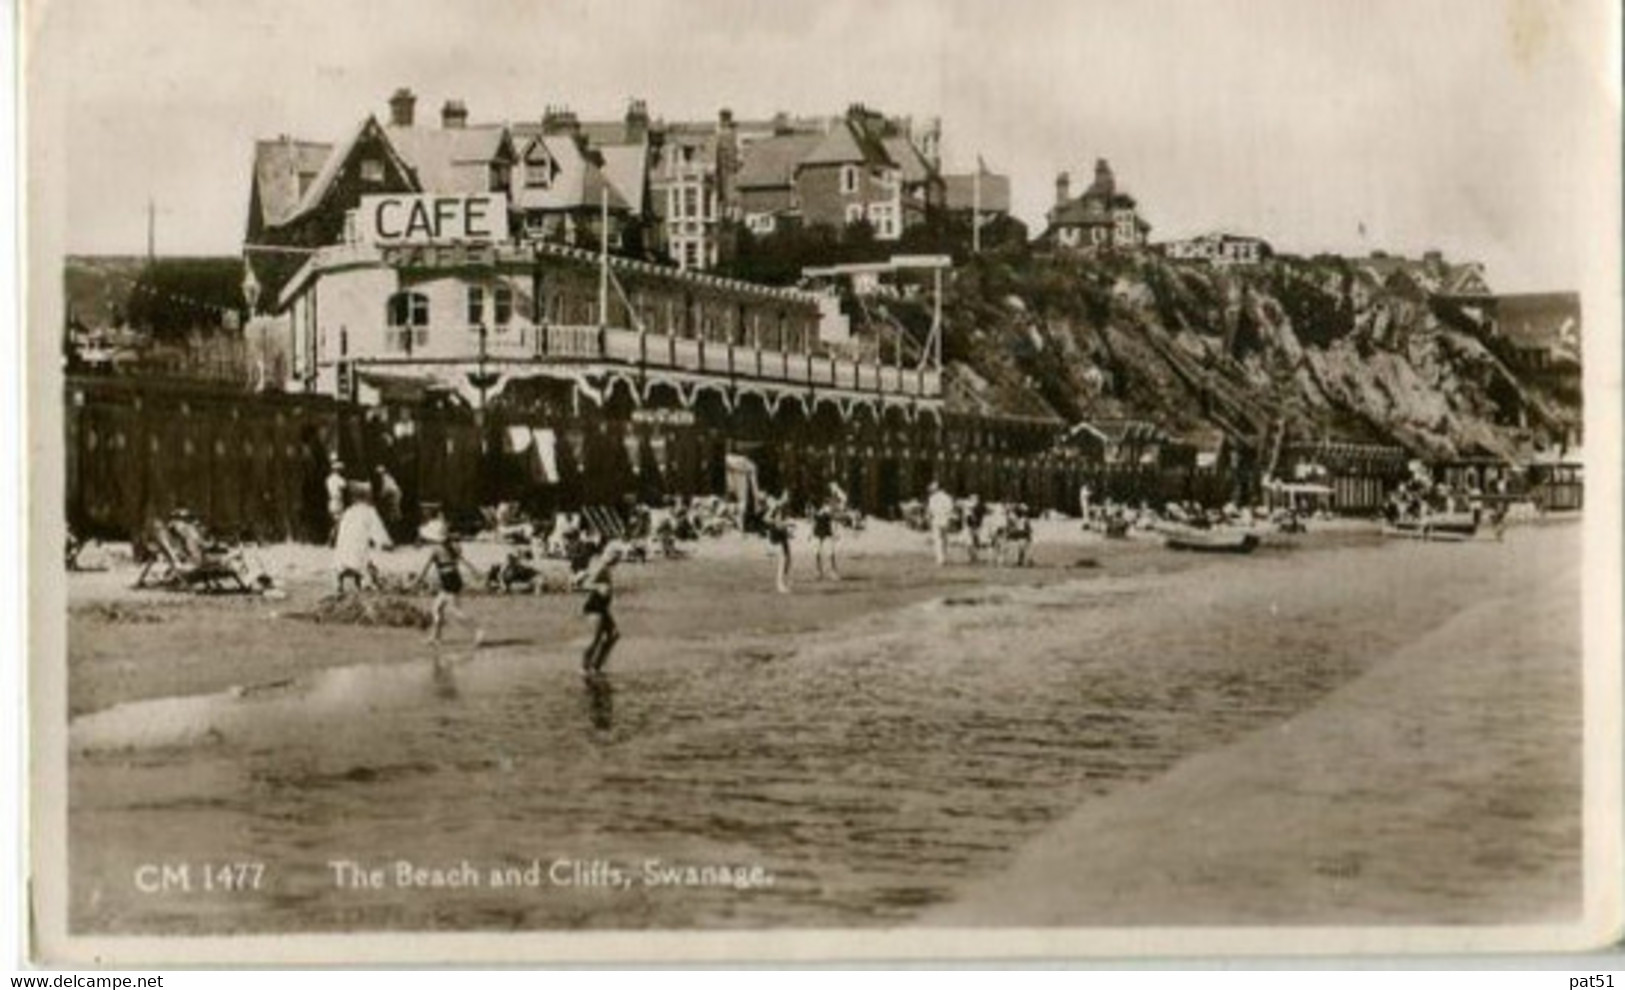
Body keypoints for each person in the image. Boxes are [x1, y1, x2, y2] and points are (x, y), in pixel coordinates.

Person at [417, 515, 485, 649]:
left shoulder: (435, 549)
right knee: (437, 608)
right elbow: (464, 561)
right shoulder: (452, 546)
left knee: (455, 611)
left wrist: (417, 581)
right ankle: (436, 638)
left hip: (449, 580)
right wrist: (475, 572)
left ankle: (477, 630)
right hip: (454, 578)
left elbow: (425, 568)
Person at [332, 489, 392, 594]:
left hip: (343, 548)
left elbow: (341, 530)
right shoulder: (369, 511)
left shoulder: (349, 511)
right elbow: (377, 528)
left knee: (344, 560)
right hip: (358, 547)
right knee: (361, 559)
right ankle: (364, 582)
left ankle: (340, 583)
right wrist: (385, 542)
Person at [577, 542, 623, 676]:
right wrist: (598, 587)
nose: (618, 561)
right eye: (617, 557)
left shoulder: (605, 566)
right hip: (594, 605)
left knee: (614, 634)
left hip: (602, 606)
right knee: (594, 639)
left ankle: (597, 666)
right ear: (611, 554)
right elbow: (583, 585)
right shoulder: (601, 566)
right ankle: (584, 668)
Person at [763, 493, 793, 593]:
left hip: (782, 536)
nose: (787, 499)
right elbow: (765, 519)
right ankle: (780, 584)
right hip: (775, 536)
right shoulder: (776, 507)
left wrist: (788, 530)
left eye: (788, 497)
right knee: (783, 558)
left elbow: (782, 523)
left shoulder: (786, 508)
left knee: (788, 560)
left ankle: (784, 581)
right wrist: (778, 522)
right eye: (786, 497)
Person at [811, 484, 842, 581]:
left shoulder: (829, 507)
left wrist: (835, 532)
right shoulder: (815, 507)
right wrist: (811, 532)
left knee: (830, 552)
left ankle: (832, 571)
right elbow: (813, 520)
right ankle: (818, 571)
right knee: (816, 552)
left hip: (826, 531)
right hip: (817, 531)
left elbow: (834, 516)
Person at [926, 482, 955, 566]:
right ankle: (944, 557)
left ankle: (940, 559)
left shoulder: (932, 498)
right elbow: (950, 509)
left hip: (936, 520)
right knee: (945, 539)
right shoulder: (947, 497)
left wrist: (929, 518)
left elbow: (930, 511)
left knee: (938, 539)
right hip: (945, 520)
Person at [372, 465, 403, 540]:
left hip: (394, 497)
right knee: (393, 516)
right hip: (393, 497)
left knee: (393, 517)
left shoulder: (386, 479)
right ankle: (394, 535)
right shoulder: (388, 478)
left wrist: (379, 498)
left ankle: (394, 536)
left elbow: (385, 490)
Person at [325, 458, 349, 543]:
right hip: (337, 501)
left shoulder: (328, 479)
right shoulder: (339, 479)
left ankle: (332, 539)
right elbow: (345, 485)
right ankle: (332, 540)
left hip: (331, 500)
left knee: (335, 522)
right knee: (339, 522)